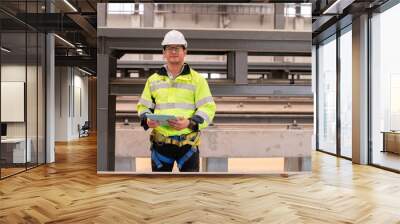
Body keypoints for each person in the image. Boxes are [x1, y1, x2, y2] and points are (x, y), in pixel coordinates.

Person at [136, 30, 216, 172]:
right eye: (169, 48)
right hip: (161, 146)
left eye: (177, 48)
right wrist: (148, 120)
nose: (173, 51)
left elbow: (207, 108)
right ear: (164, 53)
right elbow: (143, 107)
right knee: (159, 190)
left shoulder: (197, 80)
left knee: (189, 189)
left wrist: (189, 123)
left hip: (188, 145)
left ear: (185, 51)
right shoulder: (153, 80)